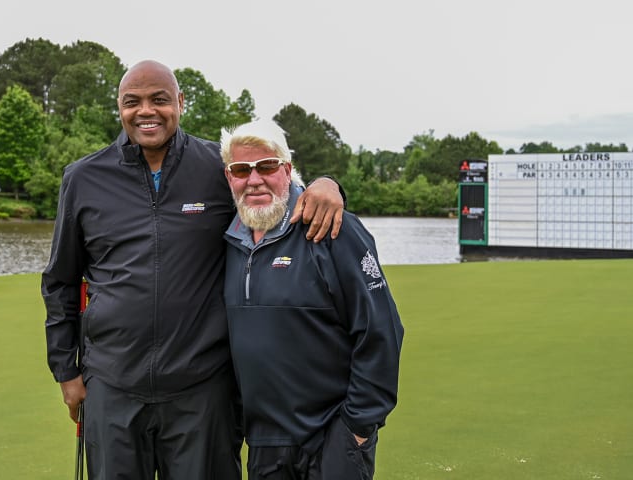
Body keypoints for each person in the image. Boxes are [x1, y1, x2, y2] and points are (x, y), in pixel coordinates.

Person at [41, 60, 346, 480]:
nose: (146, 111)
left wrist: (327, 184)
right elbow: (60, 281)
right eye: (133, 102)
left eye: (159, 100)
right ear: (119, 107)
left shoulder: (216, 168)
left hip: (202, 390)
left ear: (180, 103)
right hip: (112, 386)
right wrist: (66, 370)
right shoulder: (83, 178)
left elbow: (274, 186)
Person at [220, 120, 404, 480]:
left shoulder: (334, 228)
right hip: (264, 445)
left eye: (267, 166)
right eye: (241, 169)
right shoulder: (228, 241)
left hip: (332, 438)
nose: (254, 179)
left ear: (287, 170)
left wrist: (357, 427)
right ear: (229, 177)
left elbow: (381, 331)